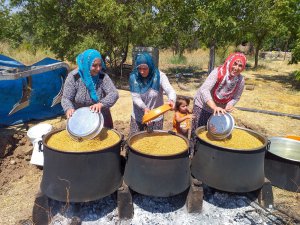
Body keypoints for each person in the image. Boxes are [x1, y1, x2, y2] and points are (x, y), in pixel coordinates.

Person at [191, 52, 247, 141]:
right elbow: (204, 90)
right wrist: (214, 107)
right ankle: (193, 152)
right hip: (203, 106)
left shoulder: (240, 80)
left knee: (214, 134)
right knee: (198, 134)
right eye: (235, 63)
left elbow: (236, 97)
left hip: (220, 110)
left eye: (240, 66)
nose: (236, 68)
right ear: (230, 62)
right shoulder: (218, 72)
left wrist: (229, 105)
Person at [61, 49, 119, 128]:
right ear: (86, 64)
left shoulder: (102, 76)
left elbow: (114, 93)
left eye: (100, 65)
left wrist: (101, 104)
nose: (98, 69)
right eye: (94, 65)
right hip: (80, 117)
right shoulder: (74, 77)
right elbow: (66, 98)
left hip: (101, 115)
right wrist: (68, 108)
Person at [129, 52, 176, 134]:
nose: (142, 72)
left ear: (150, 66)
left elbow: (170, 90)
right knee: (135, 141)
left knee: (153, 143)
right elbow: (135, 97)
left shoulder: (160, 77)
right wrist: (145, 108)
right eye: (139, 68)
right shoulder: (134, 77)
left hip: (156, 116)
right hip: (138, 116)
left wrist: (172, 100)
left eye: (145, 69)